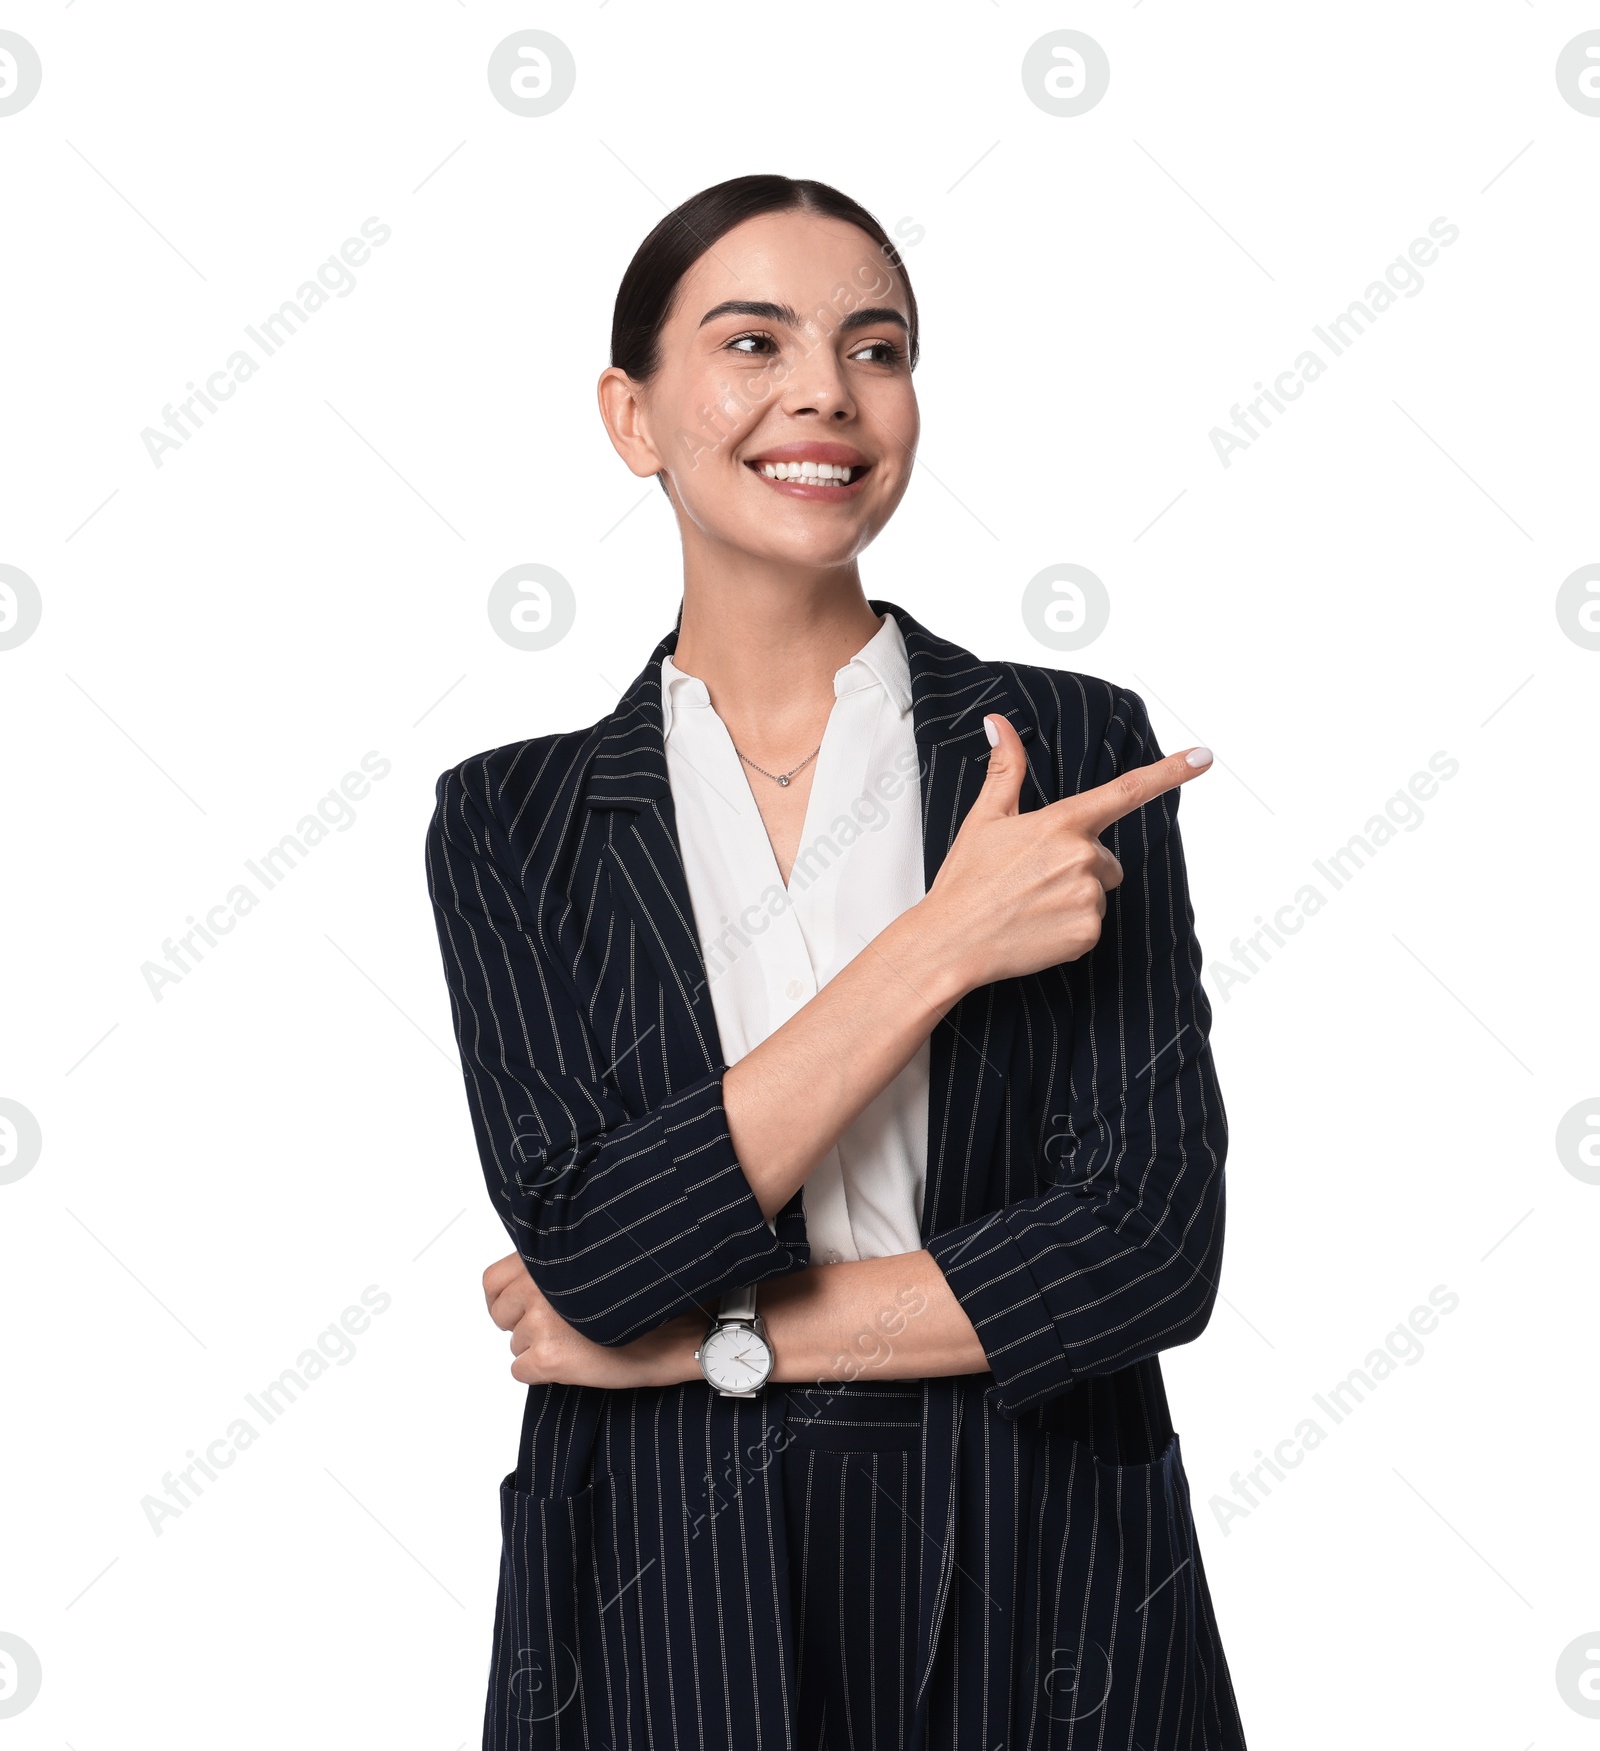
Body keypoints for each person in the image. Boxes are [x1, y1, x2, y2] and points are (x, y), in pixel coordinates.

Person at [426, 173, 1247, 1751]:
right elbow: (595, 1253)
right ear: (633, 414)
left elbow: (1149, 1248)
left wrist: (706, 1344)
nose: (826, 390)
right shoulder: (510, 818)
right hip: (657, 1578)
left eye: (877, 348)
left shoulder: (1067, 744)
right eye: (753, 342)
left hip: (1043, 1556)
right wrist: (941, 943)